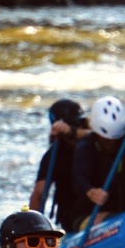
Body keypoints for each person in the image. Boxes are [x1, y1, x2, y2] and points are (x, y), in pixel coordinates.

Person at [72, 96, 125, 226]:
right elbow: (79, 178)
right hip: (93, 212)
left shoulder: (124, 140)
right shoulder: (86, 147)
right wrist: (92, 192)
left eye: (115, 139)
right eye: (106, 139)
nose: (111, 143)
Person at [29, 98, 90, 231]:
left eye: (80, 124)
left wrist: (72, 132)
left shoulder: (99, 142)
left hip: (106, 211)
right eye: (76, 125)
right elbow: (39, 193)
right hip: (76, 218)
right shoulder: (53, 156)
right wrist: (33, 229)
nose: (79, 128)